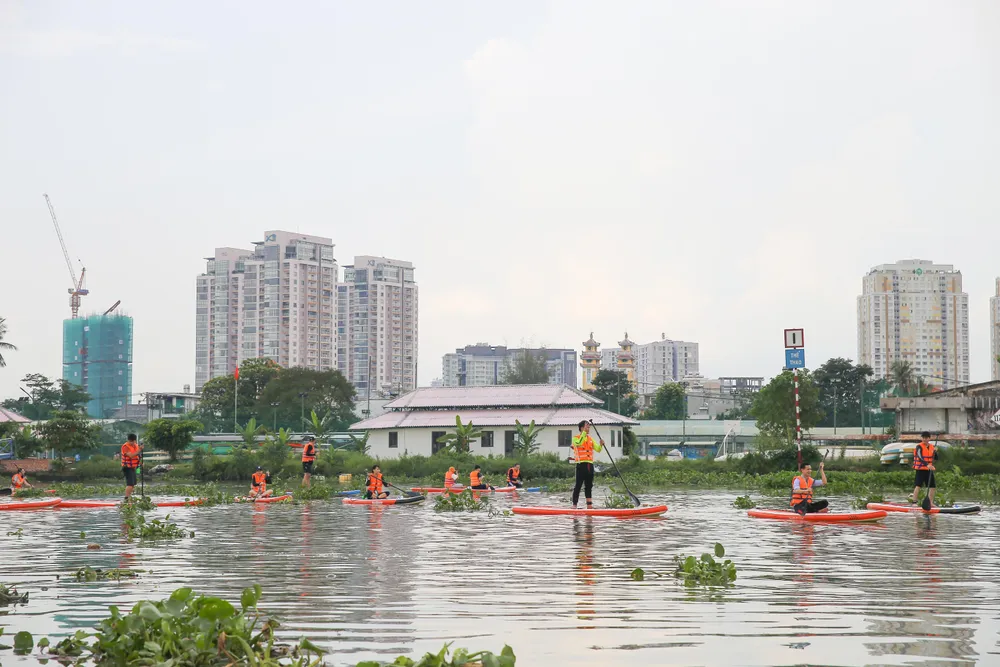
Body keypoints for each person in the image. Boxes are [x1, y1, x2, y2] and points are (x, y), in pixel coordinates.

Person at [570, 420, 603, 509]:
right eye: (586, 427)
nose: (588, 429)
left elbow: (598, 449)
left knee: (589, 485)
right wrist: (584, 433)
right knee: (578, 485)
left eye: (588, 427)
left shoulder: (590, 439)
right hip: (581, 465)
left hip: (589, 465)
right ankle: (574, 505)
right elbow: (579, 443)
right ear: (581, 428)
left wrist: (601, 445)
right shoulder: (575, 438)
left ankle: (589, 505)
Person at [908, 431, 938, 506]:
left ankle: (930, 502)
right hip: (920, 469)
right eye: (923, 438)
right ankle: (914, 502)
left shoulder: (932, 447)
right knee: (918, 485)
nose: (924, 439)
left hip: (929, 470)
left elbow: (936, 458)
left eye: (926, 438)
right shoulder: (919, 446)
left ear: (929, 438)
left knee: (932, 486)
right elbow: (920, 457)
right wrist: (927, 464)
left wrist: (935, 452)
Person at [121, 433, 143, 500]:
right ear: (128, 440)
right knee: (130, 484)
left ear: (135, 441)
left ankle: (129, 497)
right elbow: (131, 456)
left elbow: (138, 456)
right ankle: (126, 498)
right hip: (127, 467)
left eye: (133, 441)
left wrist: (140, 463)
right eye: (130, 441)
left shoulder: (136, 446)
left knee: (133, 484)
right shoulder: (125, 447)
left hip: (134, 467)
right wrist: (139, 450)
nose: (132, 443)